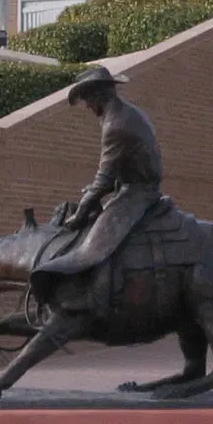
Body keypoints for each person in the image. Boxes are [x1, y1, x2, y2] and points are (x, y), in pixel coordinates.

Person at [28, 66, 165, 319]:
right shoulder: (124, 113)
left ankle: (100, 300)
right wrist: (91, 194)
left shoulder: (116, 123)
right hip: (130, 185)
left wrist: (79, 214)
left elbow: (104, 178)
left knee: (98, 240)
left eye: (87, 99)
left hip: (138, 191)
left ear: (100, 95)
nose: (87, 106)